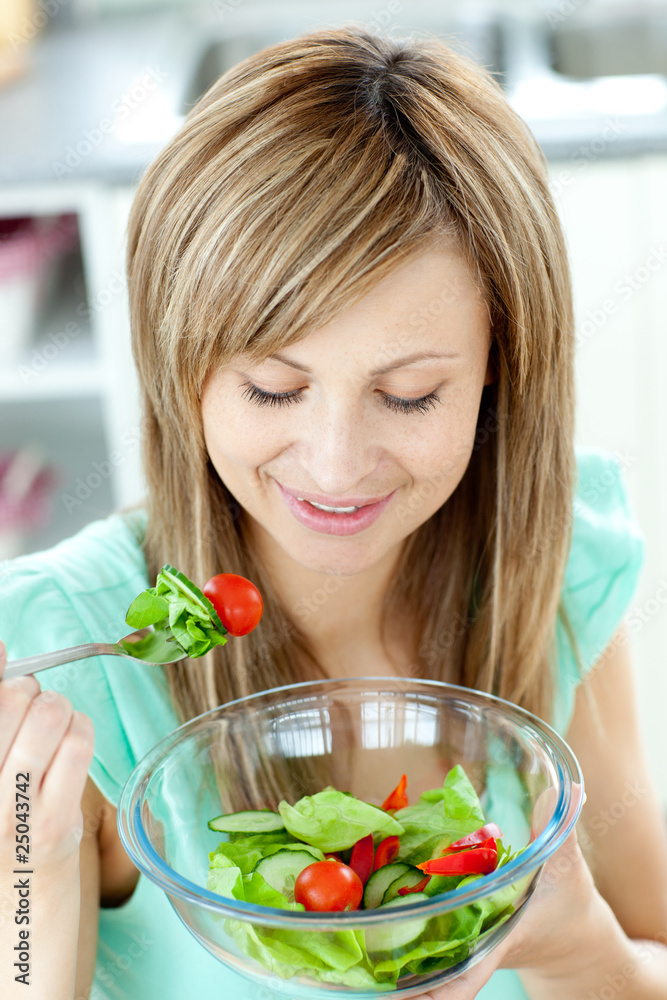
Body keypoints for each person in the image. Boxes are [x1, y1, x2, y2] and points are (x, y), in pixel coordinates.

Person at [1, 23, 667, 1000]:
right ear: (180, 373)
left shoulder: (552, 568)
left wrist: (573, 949)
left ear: (498, 379)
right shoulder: (65, 662)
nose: (336, 464)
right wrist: (35, 863)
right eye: (273, 389)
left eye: (407, 396)